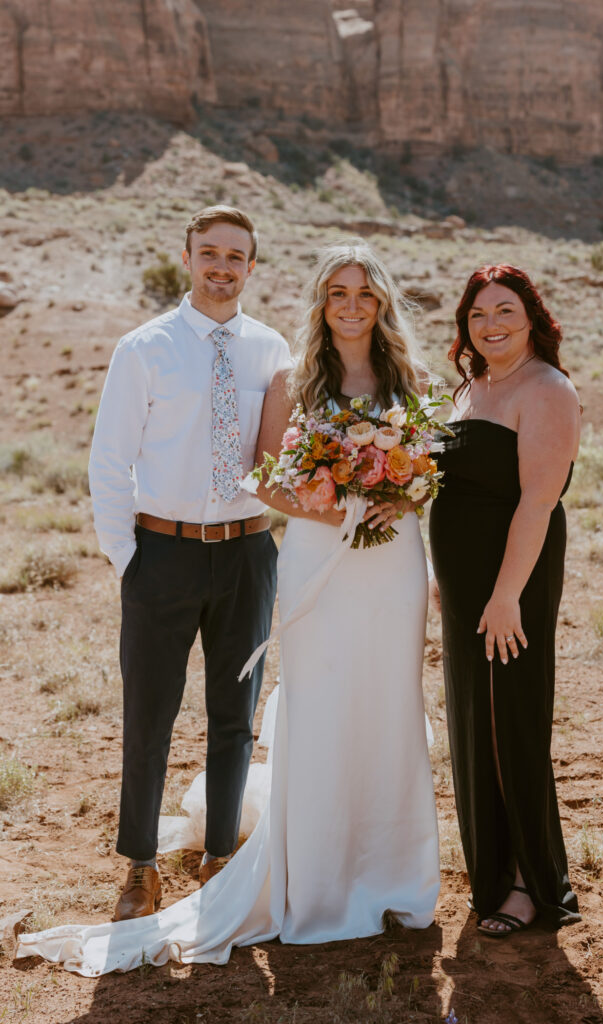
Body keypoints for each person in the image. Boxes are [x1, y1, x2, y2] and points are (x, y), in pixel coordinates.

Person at [15, 241, 440, 975]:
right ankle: (302, 873)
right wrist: (334, 499)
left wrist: (393, 490)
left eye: (363, 293)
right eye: (336, 292)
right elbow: (264, 479)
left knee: (387, 705)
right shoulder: (292, 376)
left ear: (381, 301)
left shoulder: (416, 381)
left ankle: (392, 873)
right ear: (318, 301)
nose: (349, 304)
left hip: (390, 562)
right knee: (317, 703)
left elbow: (429, 472)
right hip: (315, 558)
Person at [84, 206, 291, 920]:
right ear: (187, 257)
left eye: (236, 256)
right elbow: (108, 463)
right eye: (210, 253)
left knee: (234, 714)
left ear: (253, 266)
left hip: (247, 554)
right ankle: (140, 864)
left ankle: (220, 858)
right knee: (150, 715)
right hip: (161, 555)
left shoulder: (271, 350)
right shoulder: (144, 348)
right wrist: (129, 562)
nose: (222, 267)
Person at [429, 264, 582, 937]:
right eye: (478, 315)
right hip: (467, 586)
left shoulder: (546, 389)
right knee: (473, 720)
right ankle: (490, 871)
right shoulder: (471, 387)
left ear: (532, 320)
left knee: (509, 721)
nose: (490, 325)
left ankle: (528, 884)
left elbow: (537, 501)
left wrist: (505, 596)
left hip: (510, 582)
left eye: (505, 313)